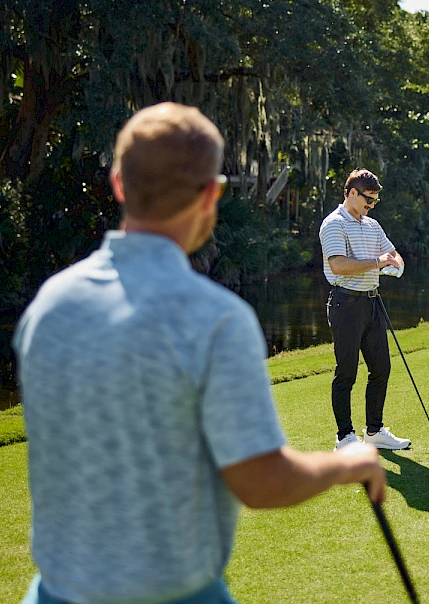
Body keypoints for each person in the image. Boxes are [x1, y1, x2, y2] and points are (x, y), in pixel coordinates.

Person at [14, 103, 386, 604]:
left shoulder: (48, 306)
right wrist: (352, 463)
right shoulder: (217, 319)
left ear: (119, 184)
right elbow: (262, 483)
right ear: (211, 195)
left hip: (53, 593)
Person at [320, 168, 409, 451]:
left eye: (374, 201)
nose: (370, 205)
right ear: (351, 193)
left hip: (371, 302)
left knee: (381, 367)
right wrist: (378, 262)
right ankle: (344, 437)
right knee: (346, 371)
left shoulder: (372, 225)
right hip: (345, 303)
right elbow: (339, 265)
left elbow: (392, 253)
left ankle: (374, 431)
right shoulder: (334, 224)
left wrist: (396, 265)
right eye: (367, 199)